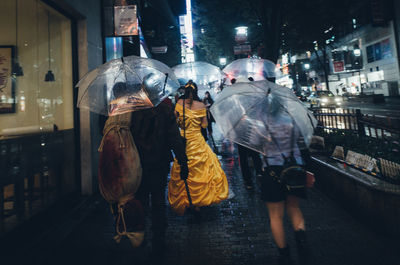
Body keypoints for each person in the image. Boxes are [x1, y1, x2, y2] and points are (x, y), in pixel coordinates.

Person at [130, 97, 189, 258]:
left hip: (138, 164)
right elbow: (174, 139)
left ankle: (140, 237)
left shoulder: (132, 109)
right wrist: (183, 162)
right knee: (158, 203)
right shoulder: (164, 109)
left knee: (140, 201)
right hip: (158, 163)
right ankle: (159, 241)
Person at [168, 82, 229, 215]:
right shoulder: (201, 106)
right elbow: (204, 126)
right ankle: (200, 200)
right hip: (197, 141)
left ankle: (188, 200)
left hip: (183, 142)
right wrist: (204, 115)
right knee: (202, 169)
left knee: (184, 168)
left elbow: (175, 122)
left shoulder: (179, 104)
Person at [261, 112, 311, 265]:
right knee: (294, 207)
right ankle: (302, 244)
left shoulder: (259, 121)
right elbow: (303, 143)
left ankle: (285, 255)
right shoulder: (292, 117)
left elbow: (253, 147)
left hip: (271, 169)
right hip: (294, 167)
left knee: (276, 216)